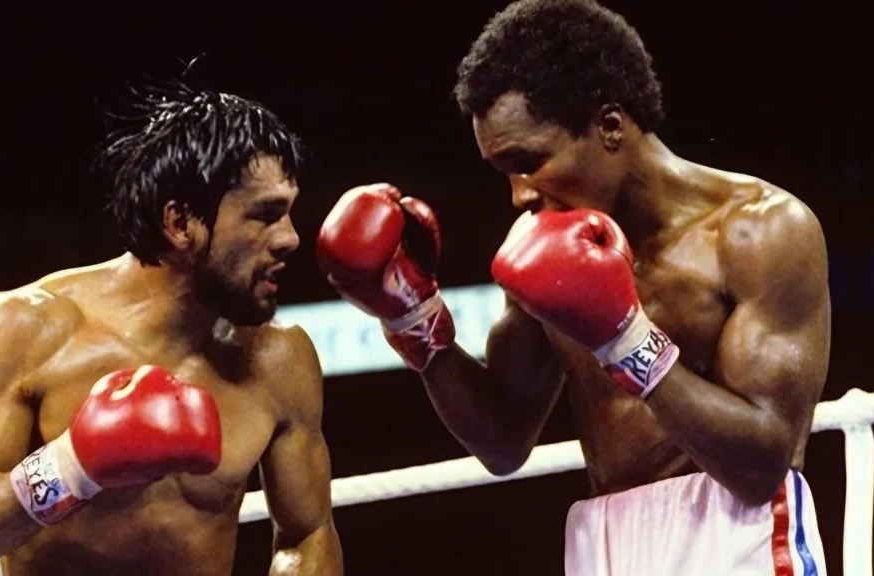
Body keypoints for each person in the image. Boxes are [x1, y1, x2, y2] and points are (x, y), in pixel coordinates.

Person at [316, 0, 830, 573]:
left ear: (610, 126)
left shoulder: (760, 231)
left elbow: (762, 466)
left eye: (529, 161)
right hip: (606, 540)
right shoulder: (539, 243)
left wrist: (625, 339)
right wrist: (413, 323)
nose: (520, 195)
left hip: (735, 534)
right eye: (503, 171)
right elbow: (503, 442)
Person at [0, 82, 343, 576]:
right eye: (265, 215)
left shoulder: (277, 358)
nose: (290, 238)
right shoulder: (23, 328)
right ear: (181, 222)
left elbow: (307, 534)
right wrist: (73, 465)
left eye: (289, 212)